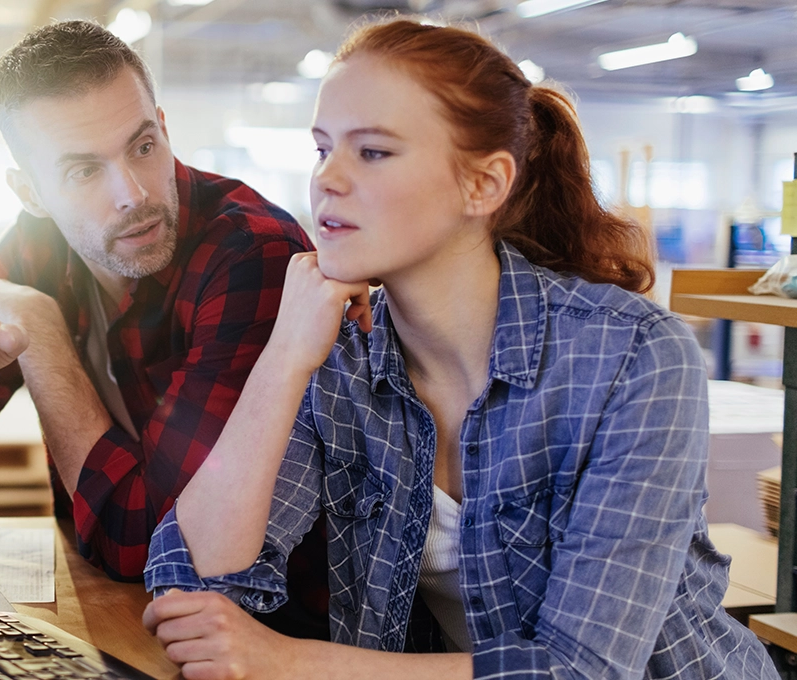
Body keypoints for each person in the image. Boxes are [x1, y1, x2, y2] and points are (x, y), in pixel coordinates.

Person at [142, 18, 778, 680]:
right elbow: (190, 585)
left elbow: (580, 671)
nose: (327, 179)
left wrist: (285, 661)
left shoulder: (635, 355)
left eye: (373, 152)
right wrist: (282, 359)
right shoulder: (339, 353)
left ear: (484, 185)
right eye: (323, 148)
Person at [0, 20, 323, 603]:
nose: (132, 192)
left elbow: (142, 542)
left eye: (141, 146)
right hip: (119, 610)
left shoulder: (251, 253)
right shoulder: (41, 243)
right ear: (31, 194)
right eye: (83, 171)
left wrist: (38, 330)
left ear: (162, 128)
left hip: (262, 625)